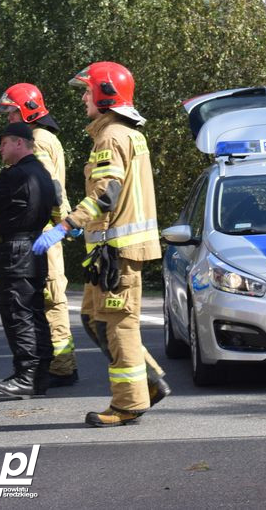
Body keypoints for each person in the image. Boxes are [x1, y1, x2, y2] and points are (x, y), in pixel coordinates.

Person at [33, 61, 169, 427]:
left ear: (105, 94)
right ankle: (149, 383)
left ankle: (128, 404)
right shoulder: (123, 133)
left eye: (87, 90)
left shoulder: (112, 136)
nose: (82, 97)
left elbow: (106, 193)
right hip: (112, 249)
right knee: (93, 319)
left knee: (117, 326)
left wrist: (65, 225)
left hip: (118, 251)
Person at [0, 83, 79, 387]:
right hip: (48, 228)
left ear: (27, 109)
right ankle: (59, 363)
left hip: (42, 231)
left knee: (50, 297)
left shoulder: (37, 141)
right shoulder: (46, 138)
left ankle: (61, 366)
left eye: (11, 112)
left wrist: (58, 226)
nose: (8, 118)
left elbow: (46, 186)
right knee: (47, 297)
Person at [0, 123, 58, 398]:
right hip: (31, 248)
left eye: (4, 143)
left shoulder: (16, 176)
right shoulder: (42, 174)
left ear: (19, 144)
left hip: (14, 252)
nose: (0, 149)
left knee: (17, 315)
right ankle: (39, 375)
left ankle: (26, 376)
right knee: (33, 313)